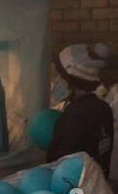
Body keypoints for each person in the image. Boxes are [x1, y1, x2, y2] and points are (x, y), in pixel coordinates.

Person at [47, 43, 114, 175]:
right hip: (97, 181)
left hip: (73, 188)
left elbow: (60, 163)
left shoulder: (74, 115)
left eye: (60, 76)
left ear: (72, 81)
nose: (56, 81)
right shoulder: (103, 107)